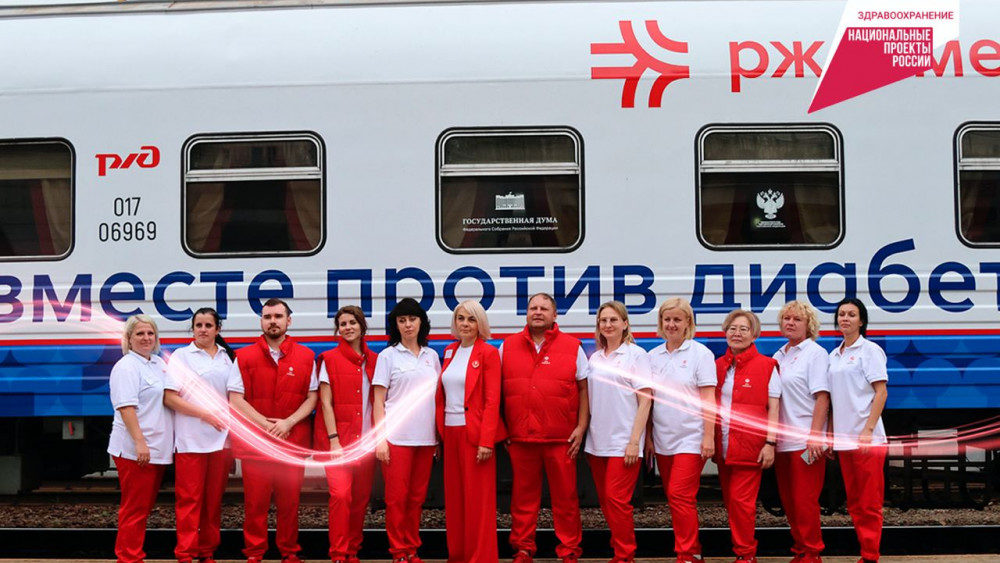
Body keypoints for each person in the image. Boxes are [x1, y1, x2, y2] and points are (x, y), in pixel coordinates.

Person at [500, 292, 589, 563]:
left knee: (566, 498)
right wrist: (503, 429)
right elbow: (496, 391)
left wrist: (581, 426)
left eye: (544, 308)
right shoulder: (507, 346)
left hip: (561, 438)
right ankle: (523, 548)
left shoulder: (573, 347)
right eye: (533, 308)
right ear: (526, 313)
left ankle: (569, 549)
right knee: (523, 498)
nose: (538, 312)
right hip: (521, 438)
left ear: (554, 315)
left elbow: (583, 389)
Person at [228, 298, 318, 563]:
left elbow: (312, 396)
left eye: (278, 316)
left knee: (289, 504)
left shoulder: (306, 356)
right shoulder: (243, 356)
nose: (273, 321)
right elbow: (235, 398)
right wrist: (265, 424)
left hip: (291, 443)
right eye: (267, 317)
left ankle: (289, 552)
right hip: (257, 445)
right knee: (255, 505)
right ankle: (255, 553)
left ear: (288, 321)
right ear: (261, 321)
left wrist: (288, 423)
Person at [164, 307, 240, 563]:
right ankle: (185, 554)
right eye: (199, 325)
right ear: (193, 329)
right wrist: (205, 415)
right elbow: (170, 398)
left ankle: (207, 552)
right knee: (189, 501)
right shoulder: (181, 356)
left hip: (221, 441)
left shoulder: (227, 357)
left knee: (212, 502)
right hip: (191, 441)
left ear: (218, 329)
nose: (203, 330)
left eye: (208, 325)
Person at [645, 298, 716, 563]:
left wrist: (708, 436)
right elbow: (648, 401)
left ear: (688, 322)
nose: (672, 324)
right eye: (667, 319)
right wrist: (648, 437)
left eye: (677, 319)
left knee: (679, 494)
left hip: (691, 438)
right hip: (663, 440)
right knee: (675, 498)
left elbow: (709, 399)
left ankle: (688, 554)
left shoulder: (700, 354)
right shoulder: (652, 356)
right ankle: (691, 549)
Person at [435, 299, 506, 563]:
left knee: (478, 502)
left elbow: (492, 400)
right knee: (455, 500)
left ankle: (481, 557)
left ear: (480, 323)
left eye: (471, 319)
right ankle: (459, 555)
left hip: (475, 435)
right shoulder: (449, 351)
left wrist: (486, 441)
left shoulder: (488, 353)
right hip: (450, 433)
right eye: (461, 318)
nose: (465, 324)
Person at [373, 298, 441, 563]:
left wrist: (437, 439)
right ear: (396, 325)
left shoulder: (431, 356)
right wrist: (381, 440)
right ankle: (398, 551)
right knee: (396, 499)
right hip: (396, 439)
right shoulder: (387, 356)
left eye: (412, 319)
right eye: (402, 321)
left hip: (425, 440)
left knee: (416, 498)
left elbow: (437, 399)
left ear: (421, 322)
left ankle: (412, 549)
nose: (408, 325)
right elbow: (378, 400)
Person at [583, 301, 652, 563]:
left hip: (624, 442)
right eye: (603, 320)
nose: (608, 325)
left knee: (616, 500)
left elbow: (645, 400)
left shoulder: (636, 355)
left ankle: (625, 555)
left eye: (613, 320)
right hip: (597, 442)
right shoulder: (595, 358)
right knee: (606, 502)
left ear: (625, 324)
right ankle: (619, 548)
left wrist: (635, 441)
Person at [714, 309, 781, 563]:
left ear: (754, 335)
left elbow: (774, 409)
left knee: (742, 502)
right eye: (732, 328)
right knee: (731, 502)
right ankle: (742, 550)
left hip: (750, 446)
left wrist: (770, 443)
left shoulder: (767, 366)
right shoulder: (718, 366)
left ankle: (745, 554)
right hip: (723, 445)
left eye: (743, 329)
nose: (737, 333)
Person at [314, 305, 378, 563]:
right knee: (341, 496)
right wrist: (334, 441)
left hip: (365, 442)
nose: (348, 327)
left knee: (360, 499)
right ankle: (339, 554)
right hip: (338, 443)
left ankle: (352, 551)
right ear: (338, 329)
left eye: (352, 322)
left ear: (362, 326)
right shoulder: (329, 359)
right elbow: (325, 402)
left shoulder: (375, 360)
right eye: (343, 324)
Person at [107, 314, 173, 563]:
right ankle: (128, 557)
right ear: (129, 338)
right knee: (135, 508)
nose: (146, 338)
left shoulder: (157, 363)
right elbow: (126, 408)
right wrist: (139, 442)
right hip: (136, 450)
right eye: (140, 334)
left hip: (155, 448)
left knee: (143, 507)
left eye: (150, 333)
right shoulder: (126, 367)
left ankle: (132, 554)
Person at [829, 298, 888, 563]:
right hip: (844, 440)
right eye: (841, 314)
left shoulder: (870, 350)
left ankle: (870, 556)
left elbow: (881, 392)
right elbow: (834, 399)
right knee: (854, 502)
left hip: (867, 439)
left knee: (869, 503)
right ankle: (865, 552)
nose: (845, 318)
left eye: (852, 314)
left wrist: (868, 428)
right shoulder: (833, 355)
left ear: (861, 321)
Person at [773, 301, 831, 563]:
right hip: (782, 441)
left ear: (809, 325)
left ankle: (812, 552)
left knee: (805, 500)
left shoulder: (815, 354)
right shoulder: (779, 355)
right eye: (786, 318)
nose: (790, 323)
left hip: (805, 440)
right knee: (789, 501)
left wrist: (815, 436)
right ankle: (800, 549)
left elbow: (822, 397)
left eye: (797, 319)